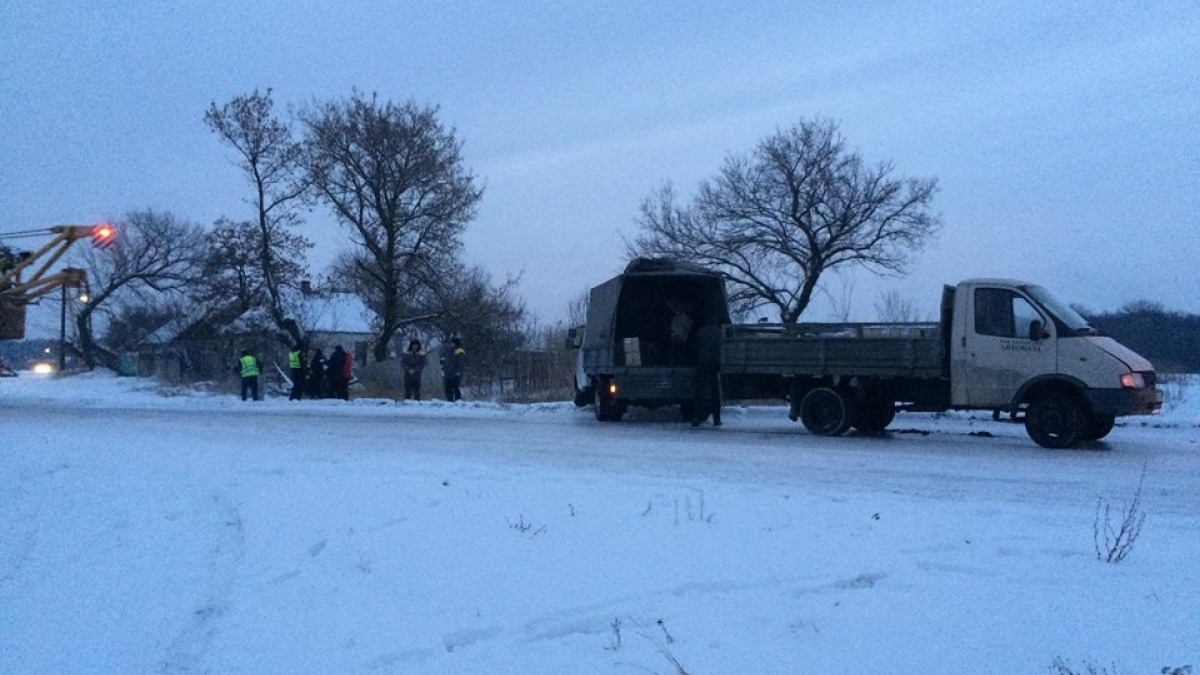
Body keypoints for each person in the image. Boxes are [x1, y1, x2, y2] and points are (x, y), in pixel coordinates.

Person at [690, 317, 722, 427]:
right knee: (715, 391)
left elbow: (694, 347)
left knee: (699, 391)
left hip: (702, 363)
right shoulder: (719, 332)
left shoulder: (700, 332)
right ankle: (716, 418)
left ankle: (696, 417)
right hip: (715, 364)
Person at [442, 337, 466, 402]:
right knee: (448, 388)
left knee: (456, 388)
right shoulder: (450, 351)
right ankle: (449, 401)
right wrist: (445, 370)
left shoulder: (459, 352)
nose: (451, 344)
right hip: (448, 373)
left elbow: (460, 363)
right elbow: (446, 362)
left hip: (455, 373)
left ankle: (458, 401)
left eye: (452, 343)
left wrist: (458, 371)